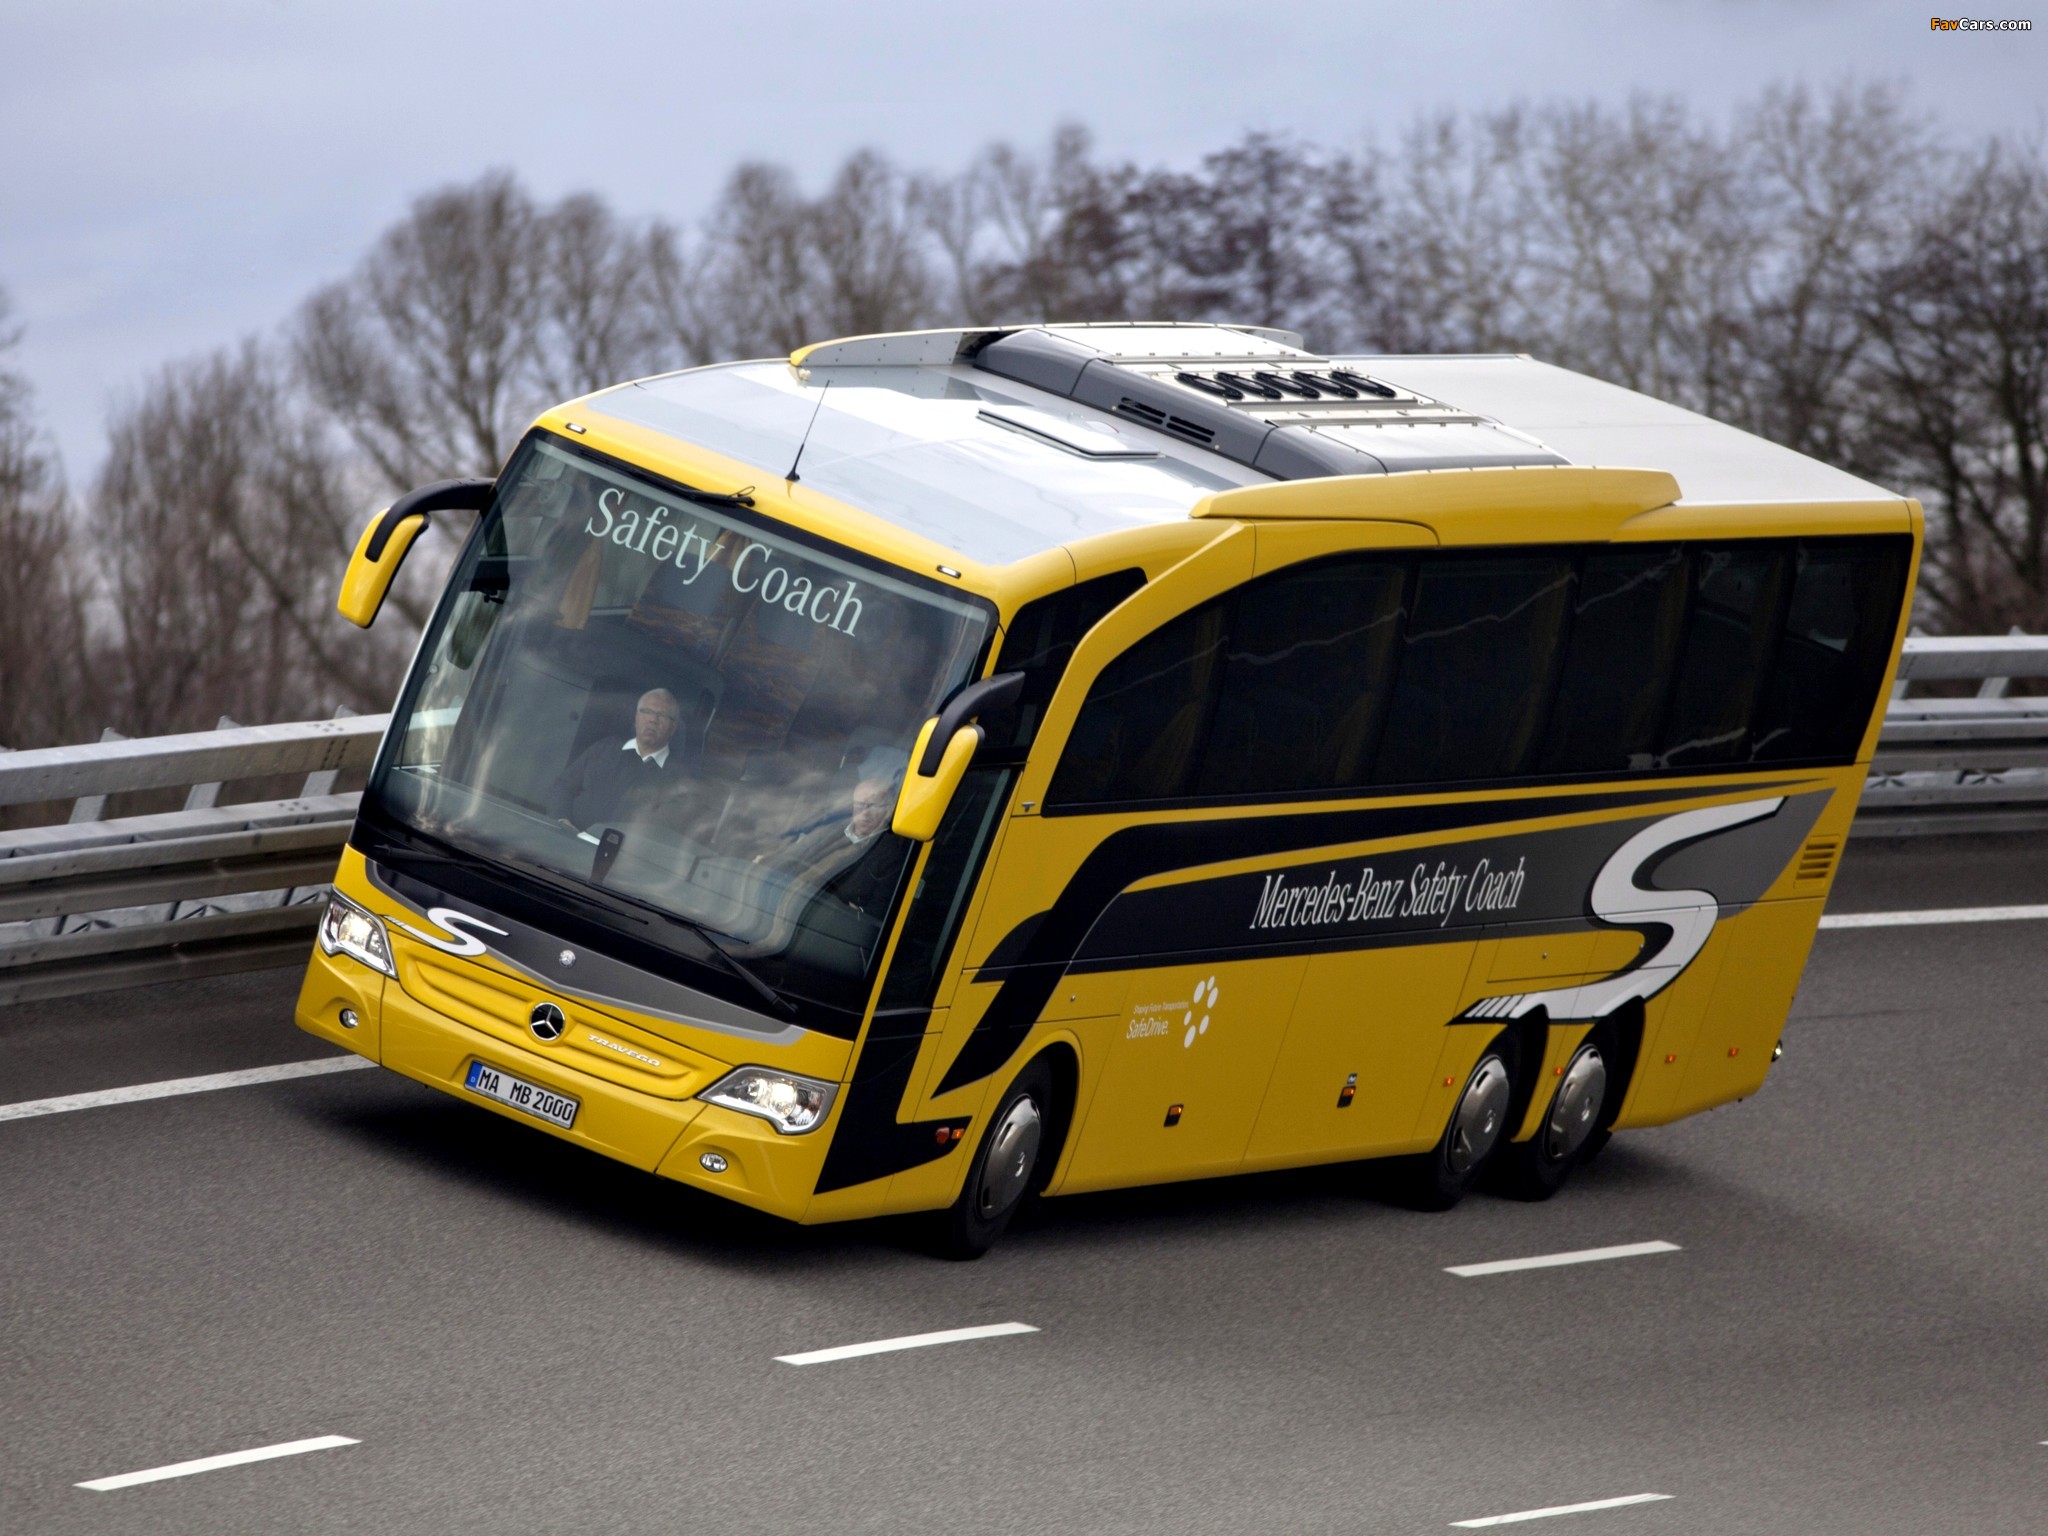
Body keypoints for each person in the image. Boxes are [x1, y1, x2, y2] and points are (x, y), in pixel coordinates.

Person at [550, 687, 698, 833]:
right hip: (571, 843)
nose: (653, 720)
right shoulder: (604, 748)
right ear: (636, 717)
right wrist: (563, 821)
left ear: (673, 727)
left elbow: (668, 830)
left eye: (662, 715)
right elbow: (564, 786)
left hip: (629, 849)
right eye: (647, 712)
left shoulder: (678, 780)